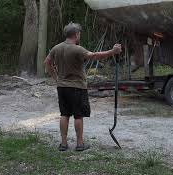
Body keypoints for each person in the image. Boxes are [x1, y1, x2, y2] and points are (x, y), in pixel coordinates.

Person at [44, 22, 122, 151]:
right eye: (79, 33)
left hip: (62, 87)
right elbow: (94, 56)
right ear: (76, 34)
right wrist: (113, 51)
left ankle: (63, 144)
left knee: (64, 114)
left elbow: (47, 63)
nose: (79, 35)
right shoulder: (77, 49)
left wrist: (56, 78)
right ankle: (80, 144)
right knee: (78, 115)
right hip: (77, 87)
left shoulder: (56, 48)